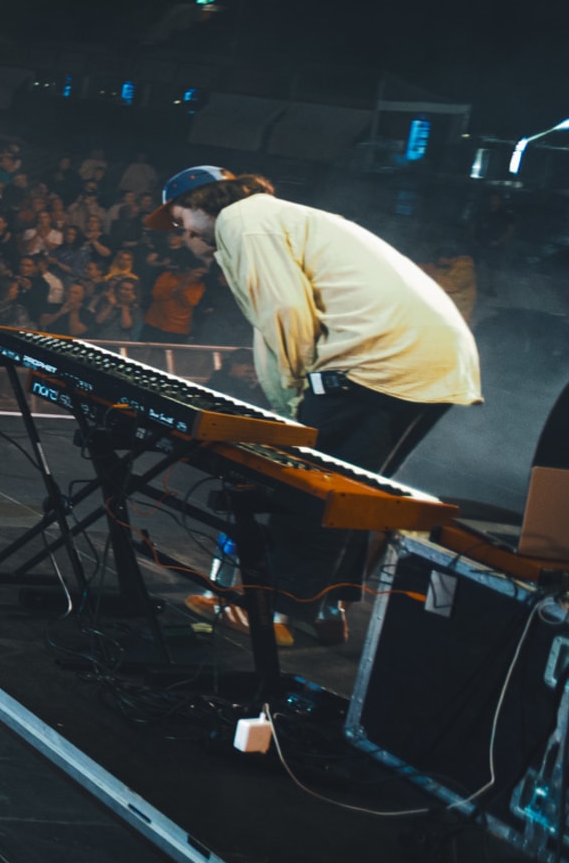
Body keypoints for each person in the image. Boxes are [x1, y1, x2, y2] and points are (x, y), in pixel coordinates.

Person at [150, 166, 479, 642]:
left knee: (311, 490)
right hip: (416, 360)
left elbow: (285, 315)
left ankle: (276, 614)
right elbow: (275, 326)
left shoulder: (243, 220)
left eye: (181, 222)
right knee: (350, 493)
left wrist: (294, 408)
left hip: (377, 363)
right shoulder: (271, 219)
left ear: (203, 201)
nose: (184, 236)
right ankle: (323, 611)